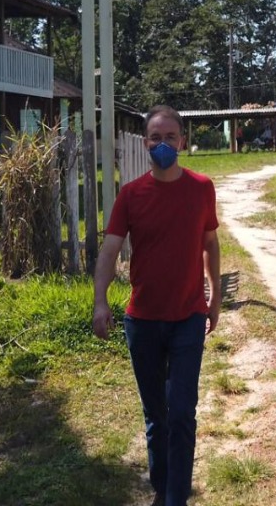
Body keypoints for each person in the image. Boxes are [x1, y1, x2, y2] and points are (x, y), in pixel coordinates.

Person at [93, 104, 222, 506]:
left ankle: (176, 499)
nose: (163, 144)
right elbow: (110, 249)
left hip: (188, 317)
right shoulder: (131, 195)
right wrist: (100, 301)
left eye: (170, 137)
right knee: (157, 416)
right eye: (155, 138)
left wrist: (215, 295)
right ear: (145, 143)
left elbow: (210, 243)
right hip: (143, 321)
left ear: (182, 141)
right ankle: (162, 487)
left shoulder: (202, 188)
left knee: (182, 412)